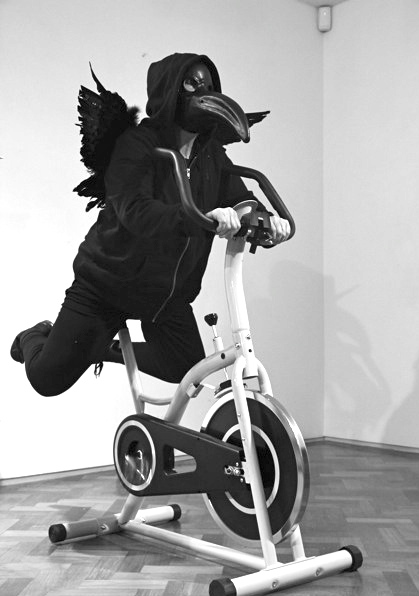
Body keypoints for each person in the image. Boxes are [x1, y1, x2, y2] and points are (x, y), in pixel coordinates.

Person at [10, 52, 290, 396]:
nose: (203, 91)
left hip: (165, 295)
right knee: (47, 379)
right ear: (170, 90)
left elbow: (240, 199)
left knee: (185, 367)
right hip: (108, 283)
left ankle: (101, 349)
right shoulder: (137, 144)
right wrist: (201, 219)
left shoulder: (211, 154)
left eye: (208, 85)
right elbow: (135, 211)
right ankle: (33, 335)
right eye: (192, 84)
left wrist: (264, 220)